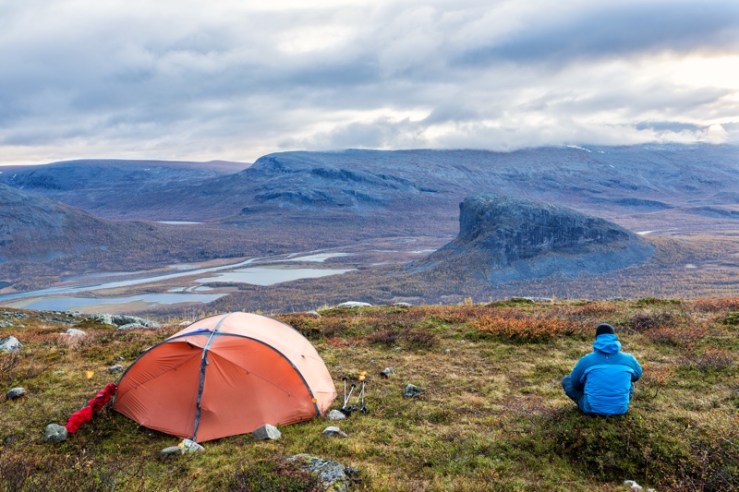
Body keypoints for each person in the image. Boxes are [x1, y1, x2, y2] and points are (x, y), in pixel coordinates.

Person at [562, 323, 642, 416]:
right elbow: (637, 376)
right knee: (629, 382)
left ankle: (590, 404)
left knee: (566, 380)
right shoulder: (629, 359)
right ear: (615, 338)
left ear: (596, 339)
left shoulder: (587, 359)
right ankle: (616, 405)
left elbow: (575, 384)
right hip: (621, 409)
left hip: (591, 409)